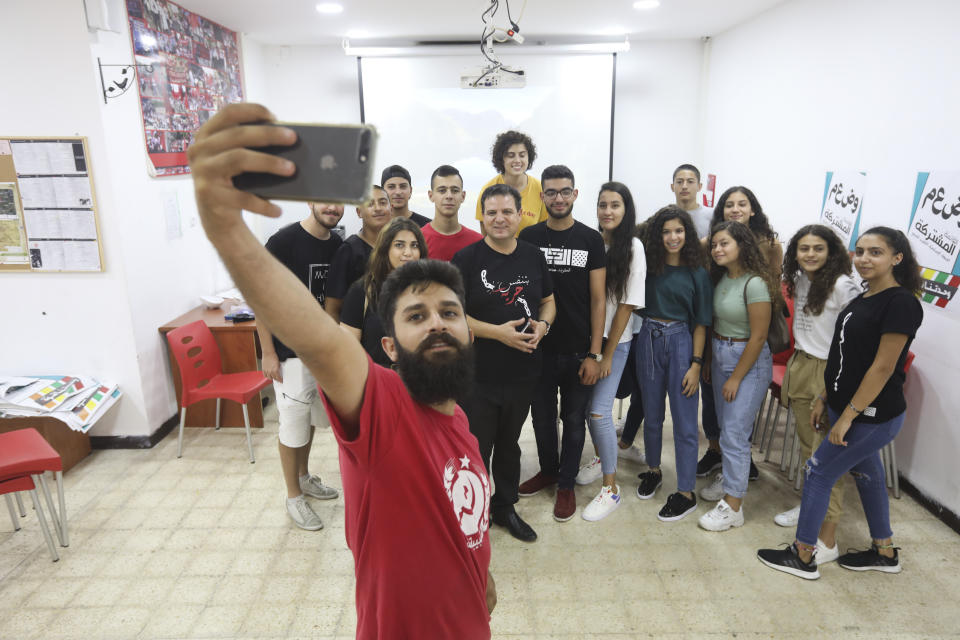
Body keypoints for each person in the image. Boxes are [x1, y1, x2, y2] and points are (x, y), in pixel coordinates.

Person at [188, 103, 495, 639]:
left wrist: (483, 572)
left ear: (468, 329)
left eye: (449, 313)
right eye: (416, 317)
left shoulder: (461, 423)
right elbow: (319, 339)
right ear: (389, 348)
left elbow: (461, 519)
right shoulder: (384, 408)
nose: (438, 325)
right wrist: (226, 229)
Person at [758, 227, 923, 579]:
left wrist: (848, 416)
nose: (864, 258)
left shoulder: (901, 303)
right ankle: (885, 550)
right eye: (860, 251)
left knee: (818, 470)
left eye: (875, 252)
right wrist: (824, 396)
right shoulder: (865, 296)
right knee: (868, 474)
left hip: (871, 414)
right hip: (844, 403)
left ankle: (803, 555)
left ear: (897, 258)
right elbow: (846, 358)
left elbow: (881, 368)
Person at [453, 183, 555, 542]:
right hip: (478, 375)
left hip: (523, 372)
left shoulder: (532, 255)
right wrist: (499, 333)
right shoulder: (466, 260)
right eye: (492, 212)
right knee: (476, 447)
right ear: (482, 216)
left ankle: (505, 506)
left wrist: (543, 325)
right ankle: (473, 511)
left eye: (506, 212)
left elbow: (549, 301)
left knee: (510, 444)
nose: (499, 219)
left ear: (519, 215)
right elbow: (454, 316)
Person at [517, 165, 607, 522]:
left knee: (573, 420)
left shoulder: (590, 240)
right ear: (542, 197)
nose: (558, 198)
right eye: (551, 192)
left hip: (577, 350)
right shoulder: (529, 236)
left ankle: (567, 484)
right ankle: (549, 471)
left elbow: (599, 299)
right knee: (541, 418)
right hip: (537, 348)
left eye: (564, 191)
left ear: (575, 194)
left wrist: (595, 353)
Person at [771, 225, 861, 561]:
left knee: (824, 459)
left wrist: (829, 388)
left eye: (818, 248)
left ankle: (828, 538)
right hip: (800, 364)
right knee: (808, 447)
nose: (810, 254)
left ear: (831, 252)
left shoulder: (842, 286)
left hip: (826, 371)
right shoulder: (802, 279)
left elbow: (855, 342)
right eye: (804, 248)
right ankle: (813, 505)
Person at [256, 201, 343, 531]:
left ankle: (304, 477)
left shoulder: (337, 244)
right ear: (310, 201)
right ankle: (293, 496)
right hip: (288, 353)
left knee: (308, 419)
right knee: (291, 424)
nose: (332, 207)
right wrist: (268, 353)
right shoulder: (282, 243)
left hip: (322, 354)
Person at [698, 221, 780, 531]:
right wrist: (709, 360)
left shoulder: (755, 283)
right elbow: (715, 324)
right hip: (720, 355)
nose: (717, 249)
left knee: (734, 433)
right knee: (725, 428)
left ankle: (733, 506)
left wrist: (735, 377)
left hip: (747, 361)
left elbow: (758, 337)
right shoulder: (722, 278)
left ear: (742, 246)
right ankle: (731, 481)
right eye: (715, 244)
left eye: (724, 244)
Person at [632, 206, 712, 522]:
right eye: (666, 231)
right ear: (657, 235)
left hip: (682, 342)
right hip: (648, 340)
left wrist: (695, 364)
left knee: (685, 421)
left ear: (688, 234)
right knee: (651, 414)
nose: (673, 237)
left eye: (679, 230)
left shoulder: (698, 273)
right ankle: (653, 469)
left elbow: (702, 323)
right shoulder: (649, 268)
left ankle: (686, 492)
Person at [575, 182, 646, 522]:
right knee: (589, 409)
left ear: (626, 209)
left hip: (615, 341)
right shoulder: (592, 241)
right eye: (602, 204)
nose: (607, 211)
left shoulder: (633, 246)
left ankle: (611, 489)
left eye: (615, 205)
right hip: (588, 340)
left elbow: (627, 305)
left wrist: (606, 353)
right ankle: (604, 457)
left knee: (599, 412)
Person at [341, 218, 428, 368]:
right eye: (399, 245)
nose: (408, 252)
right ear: (385, 249)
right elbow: (347, 352)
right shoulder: (361, 291)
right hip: (376, 382)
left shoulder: (429, 291)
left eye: (414, 246)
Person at [324, 185, 391, 322]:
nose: (378, 208)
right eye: (370, 204)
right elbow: (332, 309)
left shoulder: (399, 247)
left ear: (391, 208)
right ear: (359, 211)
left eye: (383, 202)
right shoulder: (348, 251)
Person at [475, 130, 546, 236]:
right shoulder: (488, 189)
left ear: (529, 157)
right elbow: (486, 235)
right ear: (501, 159)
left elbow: (544, 228)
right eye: (511, 155)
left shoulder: (540, 189)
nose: (517, 160)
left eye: (522, 155)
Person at [421, 165, 482, 261]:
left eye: (455, 190)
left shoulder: (478, 243)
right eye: (442, 190)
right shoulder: (417, 241)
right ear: (431, 195)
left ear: (463, 196)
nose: (449, 196)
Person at [671, 164, 712, 240]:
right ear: (672, 187)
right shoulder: (666, 215)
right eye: (679, 182)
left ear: (699, 186)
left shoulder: (712, 215)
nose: (684, 186)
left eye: (690, 181)